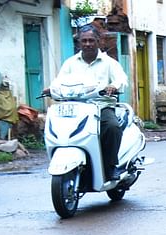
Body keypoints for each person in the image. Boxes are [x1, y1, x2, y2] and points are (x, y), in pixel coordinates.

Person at [52, 26, 129, 179]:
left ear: (98, 42)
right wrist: (51, 88)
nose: (87, 44)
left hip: (101, 106)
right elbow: (58, 82)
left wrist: (113, 86)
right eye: (84, 41)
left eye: (91, 40)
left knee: (112, 127)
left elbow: (121, 79)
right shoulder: (70, 63)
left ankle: (111, 166)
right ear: (79, 43)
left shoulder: (109, 63)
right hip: (76, 108)